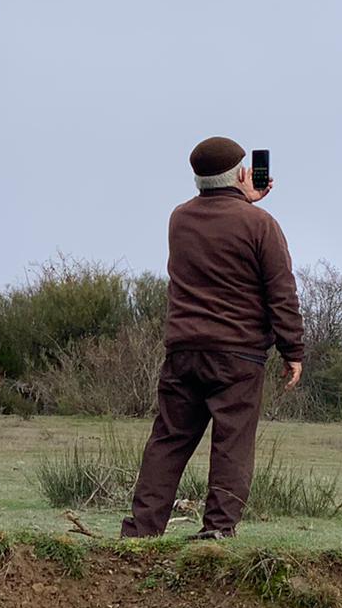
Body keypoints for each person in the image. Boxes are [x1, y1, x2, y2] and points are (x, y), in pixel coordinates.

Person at [121, 137, 304, 540]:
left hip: (183, 350)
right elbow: (281, 291)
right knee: (231, 443)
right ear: (242, 173)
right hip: (238, 355)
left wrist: (242, 200)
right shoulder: (261, 225)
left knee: (168, 441)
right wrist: (293, 349)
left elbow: (216, 223)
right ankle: (218, 530)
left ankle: (141, 531)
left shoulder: (179, 219)